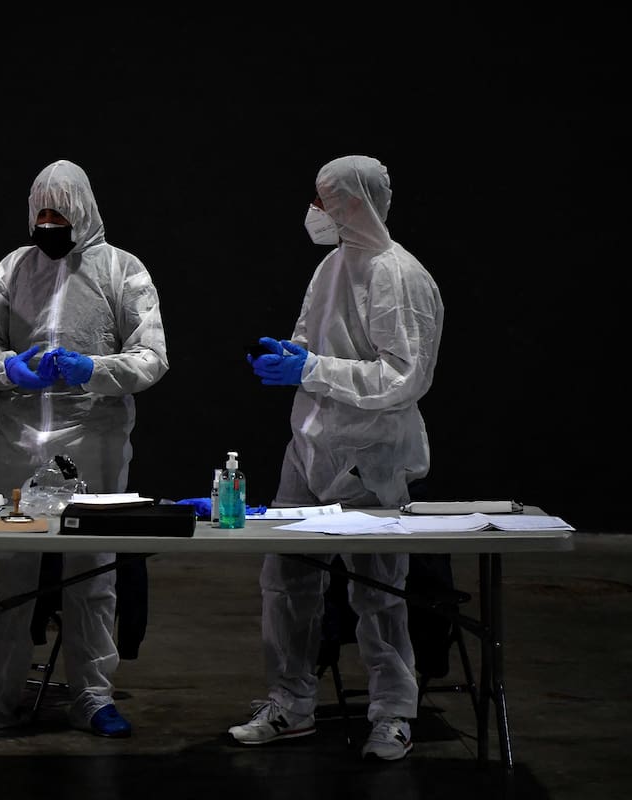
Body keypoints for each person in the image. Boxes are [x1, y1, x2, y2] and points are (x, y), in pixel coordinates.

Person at [229, 155, 444, 761]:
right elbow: (311, 338)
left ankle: (395, 713)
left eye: (325, 199)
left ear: (355, 202)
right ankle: (290, 702)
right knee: (286, 581)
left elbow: (404, 377)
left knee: (379, 590)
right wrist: (289, 354)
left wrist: (312, 369)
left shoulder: (397, 276)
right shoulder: (332, 266)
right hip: (311, 447)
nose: (316, 212)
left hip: (371, 456)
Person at [0, 159, 169, 738]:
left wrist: (90, 369)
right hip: (18, 441)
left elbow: (151, 357)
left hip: (91, 442)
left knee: (91, 573)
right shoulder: (11, 270)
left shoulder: (122, 270)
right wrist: (8, 367)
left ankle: (93, 697)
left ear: (84, 214)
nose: (48, 224)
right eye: (41, 213)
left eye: (60, 214)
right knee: (5, 571)